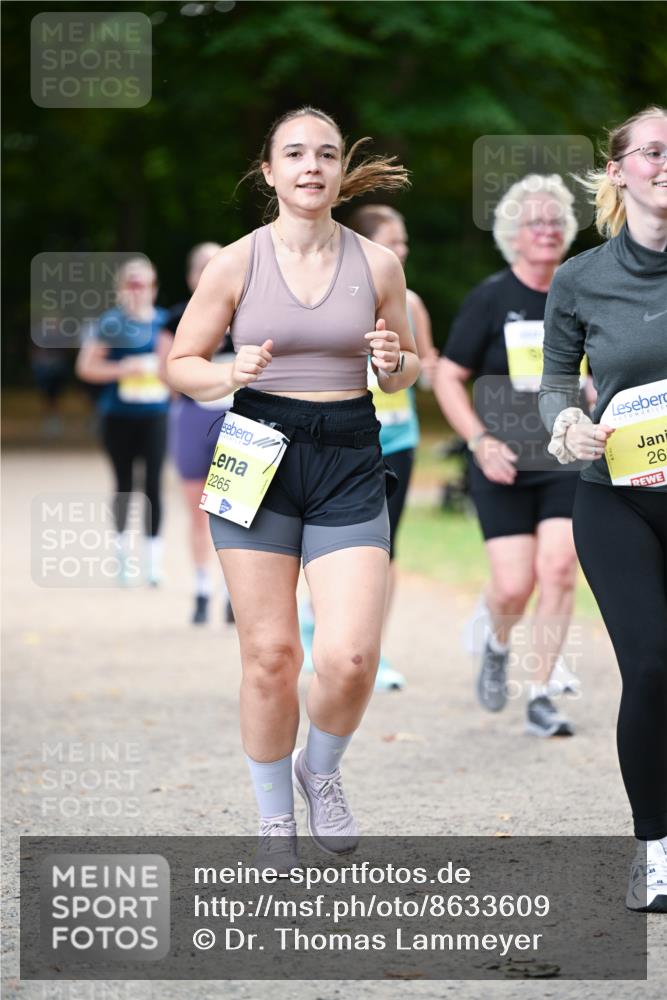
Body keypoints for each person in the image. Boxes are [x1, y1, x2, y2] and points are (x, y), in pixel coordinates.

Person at [166, 107, 419, 866]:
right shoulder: (236, 263)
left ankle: (321, 770)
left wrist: (388, 362)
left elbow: (408, 366)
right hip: (257, 454)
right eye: (295, 154)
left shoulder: (377, 265)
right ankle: (275, 815)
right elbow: (180, 362)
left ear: (341, 173)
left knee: (347, 656)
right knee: (269, 655)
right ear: (269, 172)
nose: (311, 165)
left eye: (327, 154)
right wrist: (224, 374)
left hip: (346, 453)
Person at [539, 106, 667, 911]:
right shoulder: (580, 277)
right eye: (654, 152)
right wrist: (564, 420)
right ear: (618, 171)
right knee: (651, 664)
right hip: (616, 500)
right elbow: (556, 377)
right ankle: (653, 847)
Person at [435, 174, 584, 737]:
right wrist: (478, 440)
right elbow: (448, 377)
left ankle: (542, 693)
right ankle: (497, 642)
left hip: (565, 455)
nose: (546, 230)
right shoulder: (491, 298)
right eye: (534, 222)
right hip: (500, 461)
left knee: (560, 570)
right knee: (513, 586)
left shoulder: (582, 294)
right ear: (513, 236)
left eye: (555, 221)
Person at [75, 257, 172, 585]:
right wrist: (122, 369)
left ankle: (154, 562)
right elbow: (86, 368)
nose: (136, 290)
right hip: (118, 416)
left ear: (153, 288)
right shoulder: (110, 324)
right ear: (120, 289)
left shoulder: (164, 323)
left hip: (156, 415)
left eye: (142, 284)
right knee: (124, 484)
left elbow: (176, 369)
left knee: (155, 485)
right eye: (130, 283)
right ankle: (122, 555)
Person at [165, 242, 236, 625]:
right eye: (205, 268)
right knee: (197, 513)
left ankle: (231, 593)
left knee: (235, 512)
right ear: (193, 277)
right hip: (194, 419)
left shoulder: (247, 315)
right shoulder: (176, 318)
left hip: (238, 421)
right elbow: (169, 373)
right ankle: (201, 588)